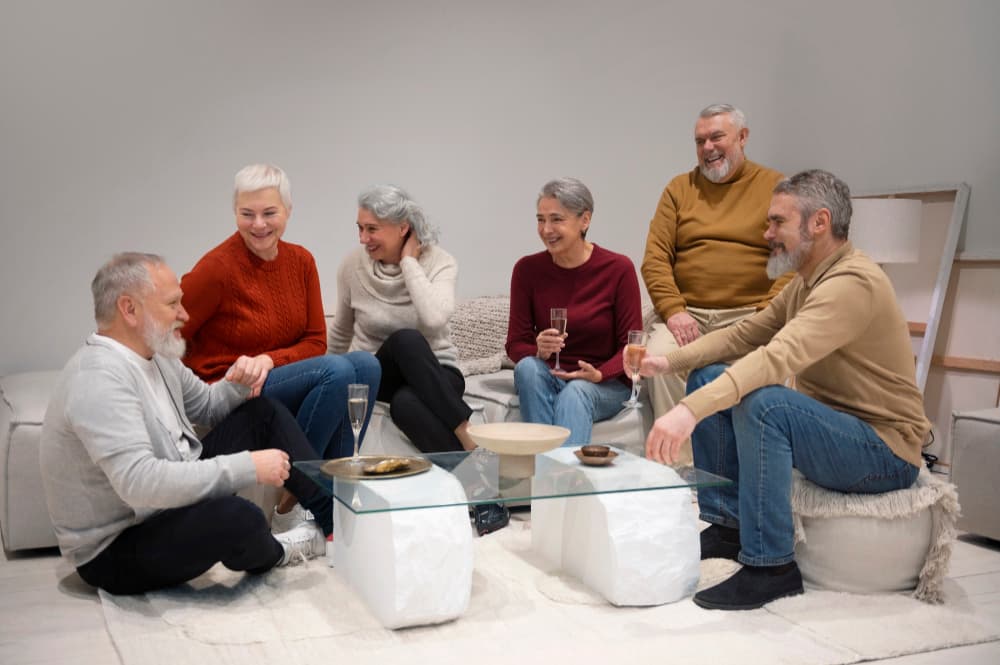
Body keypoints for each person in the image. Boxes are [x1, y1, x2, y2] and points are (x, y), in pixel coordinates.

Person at [637, 170, 930, 611]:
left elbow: (777, 357)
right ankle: (728, 523)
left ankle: (772, 566)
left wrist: (688, 412)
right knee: (708, 375)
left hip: (884, 451)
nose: (766, 232)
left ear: (819, 223)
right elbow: (744, 335)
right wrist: (670, 362)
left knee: (766, 404)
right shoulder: (805, 283)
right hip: (839, 431)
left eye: (777, 222)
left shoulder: (851, 284)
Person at [40, 253, 334, 595]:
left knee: (262, 412)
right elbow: (140, 483)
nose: (185, 315)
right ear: (129, 309)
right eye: (172, 304)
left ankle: (334, 526)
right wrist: (247, 467)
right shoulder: (97, 379)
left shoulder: (157, 356)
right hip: (116, 548)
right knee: (239, 517)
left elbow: (209, 408)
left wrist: (238, 381)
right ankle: (282, 552)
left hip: (169, 504)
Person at [179, 164, 380, 528]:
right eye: (247, 214)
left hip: (274, 378)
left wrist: (269, 360)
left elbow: (316, 340)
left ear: (287, 211)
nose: (259, 224)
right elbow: (170, 330)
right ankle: (300, 495)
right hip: (232, 389)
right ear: (235, 213)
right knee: (336, 370)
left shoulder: (301, 261)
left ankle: (332, 495)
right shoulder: (217, 268)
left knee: (366, 365)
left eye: (269, 213)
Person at [328, 184, 508, 534]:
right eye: (360, 228)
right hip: (380, 374)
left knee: (408, 404)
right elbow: (340, 331)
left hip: (436, 373)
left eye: (372, 229)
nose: (363, 238)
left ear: (403, 228)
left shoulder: (440, 262)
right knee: (404, 341)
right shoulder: (352, 266)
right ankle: (469, 437)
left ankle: (479, 493)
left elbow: (434, 319)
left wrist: (409, 263)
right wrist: (330, 379)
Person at [641, 103, 792, 464]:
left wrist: (765, 316)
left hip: (749, 313)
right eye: (699, 140)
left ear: (742, 137)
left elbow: (789, 258)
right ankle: (686, 470)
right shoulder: (679, 189)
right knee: (659, 360)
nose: (707, 147)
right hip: (688, 314)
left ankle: (745, 463)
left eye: (716, 137)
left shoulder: (775, 187)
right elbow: (655, 259)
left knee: (765, 364)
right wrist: (674, 311)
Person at [506, 178, 643, 445]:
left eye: (556, 219)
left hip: (603, 383)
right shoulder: (526, 270)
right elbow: (515, 343)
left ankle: (556, 479)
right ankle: (550, 475)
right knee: (527, 369)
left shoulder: (618, 269)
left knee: (576, 392)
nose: (546, 230)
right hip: (551, 375)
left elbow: (631, 345)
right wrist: (537, 350)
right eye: (540, 219)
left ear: (585, 220)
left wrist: (600, 374)